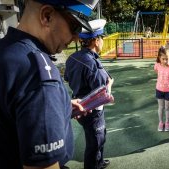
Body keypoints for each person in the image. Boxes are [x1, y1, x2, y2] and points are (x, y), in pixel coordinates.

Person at [0, 0, 99, 168]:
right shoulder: (38, 75)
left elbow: (8, 112)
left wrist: (61, 106)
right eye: (75, 27)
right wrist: (47, 100)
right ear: (47, 16)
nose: (76, 37)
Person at [64, 19, 112, 169]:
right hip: (92, 107)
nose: (103, 41)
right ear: (96, 41)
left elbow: (67, 77)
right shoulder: (91, 61)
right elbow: (100, 90)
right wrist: (109, 84)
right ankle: (93, 165)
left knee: (98, 135)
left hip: (79, 103)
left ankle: (99, 161)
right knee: (95, 141)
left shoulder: (73, 57)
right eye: (102, 38)